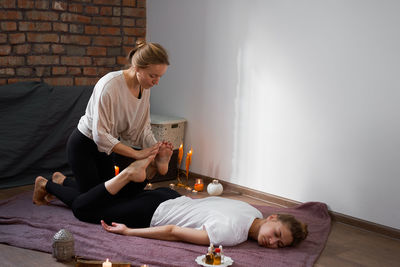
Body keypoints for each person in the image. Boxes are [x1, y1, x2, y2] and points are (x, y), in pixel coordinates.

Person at [33, 156, 308, 248]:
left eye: (278, 244)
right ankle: (47, 184)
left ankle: (63, 182)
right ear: (273, 219)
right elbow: (173, 232)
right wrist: (129, 231)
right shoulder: (232, 235)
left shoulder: (252, 209)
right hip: (152, 212)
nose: (272, 243)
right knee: (84, 210)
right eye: (276, 235)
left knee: (102, 197)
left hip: (170, 196)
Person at [33, 40, 172, 205]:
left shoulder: (144, 88)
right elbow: (100, 135)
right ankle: (45, 184)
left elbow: (141, 129)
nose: (156, 82)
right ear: (137, 68)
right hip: (84, 145)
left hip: (106, 149)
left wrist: (155, 149)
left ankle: (61, 180)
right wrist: (136, 154)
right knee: (95, 201)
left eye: (160, 76)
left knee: (109, 194)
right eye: (153, 76)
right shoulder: (109, 86)